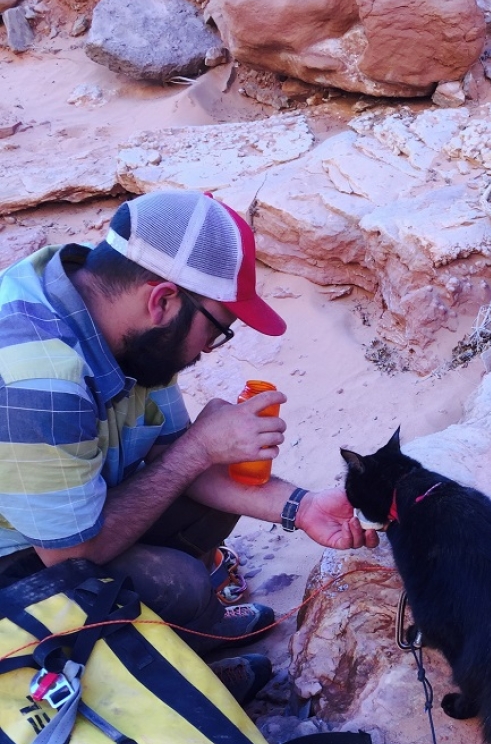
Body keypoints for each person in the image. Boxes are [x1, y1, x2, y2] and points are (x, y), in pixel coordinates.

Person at [0, 189, 378, 704]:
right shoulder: (38, 380)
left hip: (68, 515)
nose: (207, 351)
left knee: (205, 504)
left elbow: (171, 452)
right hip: (25, 561)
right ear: (162, 300)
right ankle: (155, 676)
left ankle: (191, 635)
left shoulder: (115, 316)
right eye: (218, 329)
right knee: (180, 582)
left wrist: (302, 507)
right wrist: (200, 449)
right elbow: (71, 553)